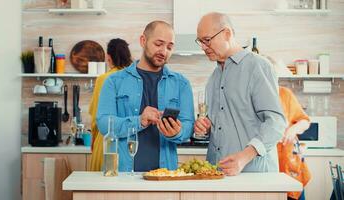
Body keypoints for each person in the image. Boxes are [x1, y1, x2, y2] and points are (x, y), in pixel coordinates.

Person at [194, 12, 287, 176]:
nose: (203, 47)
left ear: (227, 33)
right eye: (200, 42)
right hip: (218, 176)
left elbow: (276, 122)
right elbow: (222, 126)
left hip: (255, 177)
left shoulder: (258, 66)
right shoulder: (213, 78)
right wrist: (207, 128)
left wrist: (244, 157)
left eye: (207, 40)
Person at [96, 20, 195, 172]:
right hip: (122, 174)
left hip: (165, 175)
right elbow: (104, 123)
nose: (164, 51)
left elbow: (188, 125)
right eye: (158, 44)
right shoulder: (114, 81)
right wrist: (139, 121)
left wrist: (178, 132)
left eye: (169, 47)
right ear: (143, 41)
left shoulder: (181, 84)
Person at [88, 38, 133, 171]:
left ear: (108, 58)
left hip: (105, 140)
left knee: (102, 186)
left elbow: (97, 115)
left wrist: (93, 139)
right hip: (128, 143)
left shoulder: (103, 79)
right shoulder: (133, 78)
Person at [277, 86, 311, 200]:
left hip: (290, 163)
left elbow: (305, 121)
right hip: (267, 168)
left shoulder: (284, 94)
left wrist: (294, 128)